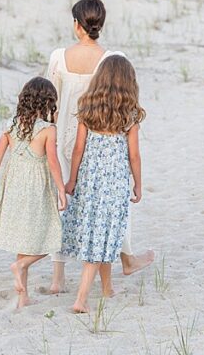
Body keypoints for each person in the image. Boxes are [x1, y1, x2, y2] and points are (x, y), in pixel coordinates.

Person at [46, 0, 154, 293]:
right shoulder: (112, 59)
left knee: (64, 204)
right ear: (99, 25)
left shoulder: (59, 57)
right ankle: (125, 257)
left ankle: (57, 278)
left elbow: (50, 101)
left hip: (67, 137)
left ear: (76, 25)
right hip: (100, 142)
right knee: (110, 205)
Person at [60, 55, 146, 313]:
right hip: (115, 183)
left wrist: (73, 179)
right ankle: (81, 299)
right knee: (102, 238)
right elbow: (134, 155)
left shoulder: (88, 107)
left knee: (102, 235)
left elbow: (78, 149)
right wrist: (138, 184)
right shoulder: (129, 114)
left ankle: (107, 288)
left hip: (90, 181)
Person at [0, 77, 67, 308]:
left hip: (14, 188)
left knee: (24, 240)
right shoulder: (48, 130)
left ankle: (23, 297)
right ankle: (21, 266)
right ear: (48, 102)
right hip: (36, 189)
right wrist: (61, 190)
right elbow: (52, 162)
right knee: (53, 236)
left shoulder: (11, 126)